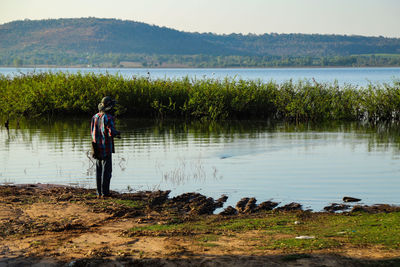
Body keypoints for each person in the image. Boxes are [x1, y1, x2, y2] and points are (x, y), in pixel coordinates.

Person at [91, 96, 120, 198]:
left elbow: (93, 132)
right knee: (106, 171)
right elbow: (111, 132)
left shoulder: (95, 117)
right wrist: (117, 133)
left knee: (99, 170)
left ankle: (99, 192)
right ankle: (105, 193)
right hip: (106, 147)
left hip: (96, 148)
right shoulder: (108, 118)